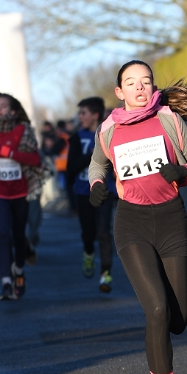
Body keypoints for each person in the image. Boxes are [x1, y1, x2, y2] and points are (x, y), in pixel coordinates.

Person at [88, 61, 187, 374]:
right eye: (131, 83)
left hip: (171, 222)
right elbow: (97, 165)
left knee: (178, 319)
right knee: (157, 310)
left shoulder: (169, 120)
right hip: (131, 224)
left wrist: (184, 171)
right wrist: (97, 185)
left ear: (152, 87)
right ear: (119, 91)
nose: (139, 87)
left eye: (146, 81)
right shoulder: (108, 129)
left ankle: (166, 339)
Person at [0, 93, 41, 301]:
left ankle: (20, 270)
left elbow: (35, 159)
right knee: (2, 235)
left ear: (13, 110)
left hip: (20, 189)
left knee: (18, 234)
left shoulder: (23, 130)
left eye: (3, 106)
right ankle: (6, 282)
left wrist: (11, 154)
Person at [67, 96, 116, 292]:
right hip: (83, 191)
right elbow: (71, 167)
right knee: (88, 233)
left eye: (83, 113)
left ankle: (106, 273)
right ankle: (88, 253)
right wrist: (92, 154)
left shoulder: (109, 134)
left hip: (105, 190)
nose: (80, 117)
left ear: (95, 115)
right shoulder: (77, 138)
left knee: (103, 232)